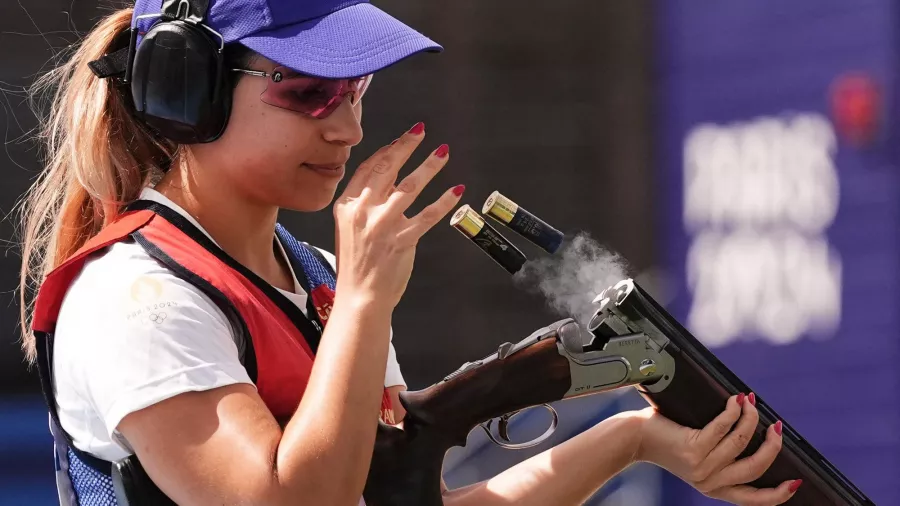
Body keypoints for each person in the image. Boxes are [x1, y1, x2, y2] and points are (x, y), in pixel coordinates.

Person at [17, 1, 802, 505]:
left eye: (354, 92)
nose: (348, 129)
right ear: (185, 90)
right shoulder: (138, 297)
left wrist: (631, 437)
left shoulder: (314, 278)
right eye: (308, 93)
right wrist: (364, 304)